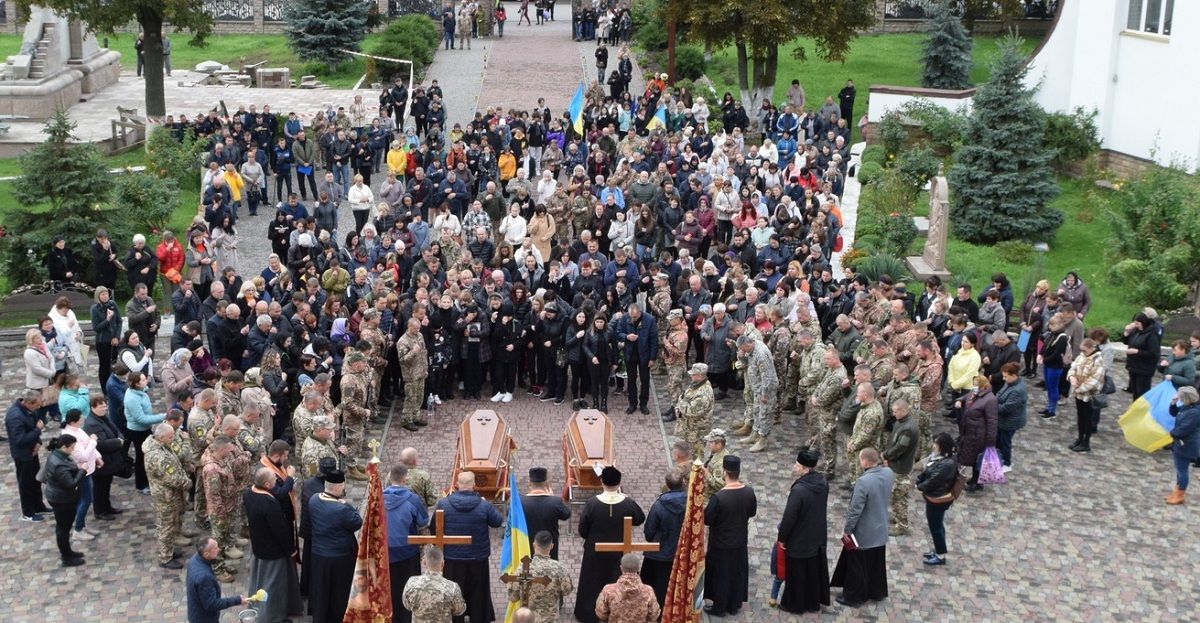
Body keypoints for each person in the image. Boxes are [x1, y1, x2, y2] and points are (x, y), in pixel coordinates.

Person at [575, 466, 646, 623]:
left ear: (601, 482)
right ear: (619, 483)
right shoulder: (628, 503)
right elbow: (640, 518)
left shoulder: (592, 503)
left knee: (592, 581)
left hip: (595, 550)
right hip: (619, 553)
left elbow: (582, 530)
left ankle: (588, 614)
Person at [435, 471, 503, 623]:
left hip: (452, 558)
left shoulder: (444, 504)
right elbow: (497, 522)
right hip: (477, 557)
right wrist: (487, 504)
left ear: (457, 485)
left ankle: (456, 619)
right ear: (473, 485)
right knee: (478, 592)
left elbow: (435, 528)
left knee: (454, 592)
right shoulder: (484, 505)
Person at [830, 448, 893, 608]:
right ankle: (875, 591)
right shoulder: (888, 473)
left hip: (864, 531)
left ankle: (853, 597)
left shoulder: (863, 481)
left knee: (857, 565)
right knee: (876, 563)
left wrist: (848, 530)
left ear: (864, 461)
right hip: (880, 528)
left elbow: (854, 510)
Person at [245, 466, 303, 623]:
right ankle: (272, 616)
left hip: (259, 547)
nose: (277, 482)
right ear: (266, 484)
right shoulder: (269, 503)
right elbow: (280, 530)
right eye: (274, 480)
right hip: (273, 552)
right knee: (274, 585)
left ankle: (258, 605)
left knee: (260, 580)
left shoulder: (249, 492)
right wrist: (291, 549)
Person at [776, 447, 829, 614]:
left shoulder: (799, 490)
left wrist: (782, 538)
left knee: (797, 574)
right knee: (812, 571)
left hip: (799, 538)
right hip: (816, 535)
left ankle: (795, 604)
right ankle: (812, 602)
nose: (794, 466)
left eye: (797, 464)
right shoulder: (822, 483)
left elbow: (789, 517)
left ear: (806, 469)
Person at [703, 455, 756, 617]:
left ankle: (719, 607)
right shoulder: (748, 492)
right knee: (736, 574)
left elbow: (707, 519)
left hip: (720, 543)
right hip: (740, 542)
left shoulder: (719, 497)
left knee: (721, 576)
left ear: (724, 473)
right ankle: (734, 605)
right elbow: (752, 512)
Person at [308, 469, 363, 623]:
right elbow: (357, 522)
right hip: (339, 558)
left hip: (319, 555)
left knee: (321, 590)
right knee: (339, 593)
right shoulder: (341, 508)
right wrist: (346, 503)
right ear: (339, 487)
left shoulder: (313, 499)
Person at [385, 463, 430, 623]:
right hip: (407, 551)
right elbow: (423, 520)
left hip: (385, 552)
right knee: (409, 588)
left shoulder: (378, 497)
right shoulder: (412, 498)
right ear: (405, 479)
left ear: (390, 478)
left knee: (389, 588)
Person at [145, 422, 192, 568]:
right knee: (166, 526)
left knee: (172, 523)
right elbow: (172, 478)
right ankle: (165, 557)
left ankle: (169, 549)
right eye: (170, 437)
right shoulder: (158, 457)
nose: (173, 439)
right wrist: (187, 483)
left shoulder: (161, 447)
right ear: (160, 437)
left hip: (170, 494)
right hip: (166, 496)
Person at [641, 470, 686, 606]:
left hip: (659, 554)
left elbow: (649, 532)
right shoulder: (691, 503)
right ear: (683, 484)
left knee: (656, 587)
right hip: (681, 552)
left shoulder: (659, 506)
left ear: (667, 485)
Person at [509, 531, 573, 623]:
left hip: (527, 619)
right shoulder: (559, 568)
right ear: (551, 546)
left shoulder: (522, 568)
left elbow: (513, 597)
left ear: (534, 545)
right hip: (550, 619)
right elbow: (567, 591)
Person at [915, 433, 959, 565]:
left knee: (935, 527)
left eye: (936, 443)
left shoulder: (946, 464)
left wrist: (919, 485)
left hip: (938, 498)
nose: (933, 445)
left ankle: (940, 556)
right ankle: (939, 549)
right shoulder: (942, 458)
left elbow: (933, 480)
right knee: (938, 525)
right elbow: (928, 471)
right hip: (936, 496)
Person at [43, 434, 86, 566]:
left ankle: (68, 552)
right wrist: (82, 471)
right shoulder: (59, 464)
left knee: (63, 527)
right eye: (72, 448)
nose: (73, 450)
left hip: (59, 496)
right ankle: (66, 557)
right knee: (63, 528)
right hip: (62, 500)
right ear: (63, 447)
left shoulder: (57, 455)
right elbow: (70, 484)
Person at [7, 389, 49, 521]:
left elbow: (34, 427)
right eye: (37, 404)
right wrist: (38, 430)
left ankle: (38, 505)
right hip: (23, 455)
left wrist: (38, 442)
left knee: (35, 480)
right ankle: (28, 513)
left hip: (32, 451)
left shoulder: (30, 410)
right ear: (29, 403)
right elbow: (19, 440)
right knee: (25, 483)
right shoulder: (15, 416)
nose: (40, 406)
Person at [186, 536, 250, 623]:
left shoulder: (194, 559)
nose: (219, 549)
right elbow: (212, 604)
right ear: (206, 554)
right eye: (215, 548)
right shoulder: (204, 577)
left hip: (196, 613)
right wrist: (237, 600)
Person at [83, 392, 126, 520]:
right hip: (100, 461)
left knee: (106, 485)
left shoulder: (103, 417)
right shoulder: (91, 424)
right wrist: (118, 442)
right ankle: (100, 511)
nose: (104, 408)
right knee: (100, 487)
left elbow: (115, 430)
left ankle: (107, 507)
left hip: (110, 460)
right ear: (92, 408)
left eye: (105, 406)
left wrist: (120, 437)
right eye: (100, 407)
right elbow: (100, 444)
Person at [881, 398, 919, 536]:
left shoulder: (908, 428)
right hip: (895, 464)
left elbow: (900, 448)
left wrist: (886, 456)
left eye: (896, 411)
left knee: (899, 496)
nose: (893, 413)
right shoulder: (901, 422)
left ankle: (902, 524)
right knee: (895, 494)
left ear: (903, 411)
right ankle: (897, 516)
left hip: (900, 467)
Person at [736, 335, 779, 452]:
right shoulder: (751, 349)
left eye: (743, 349)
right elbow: (748, 363)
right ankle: (755, 434)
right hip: (757, 388)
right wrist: (741, 357)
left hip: (766, 389)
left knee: (764, 413)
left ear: (748, 344)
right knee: (756, 411)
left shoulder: (761, 354)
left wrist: (765, 393)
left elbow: (767, 376)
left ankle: (762, 440)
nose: (743, 351)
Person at [402, 546, 467, 622]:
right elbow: (460, 610)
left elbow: (407, 605)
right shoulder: (452, 587)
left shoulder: (411, 583)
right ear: (442, 563)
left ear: (424, 562)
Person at [614, 303, 658, 415]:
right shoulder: (625, 318)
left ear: (639, 313)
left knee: (645, 380)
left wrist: (652, 358)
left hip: (644, 354)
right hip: (630, 353)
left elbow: (654, 340)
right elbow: (618, 333)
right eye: (630, 316)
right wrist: (626, 337)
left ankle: (643, 404)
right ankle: (632, 403)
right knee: (631, 380)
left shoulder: (649, 319)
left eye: (634, 317)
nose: (632, 319)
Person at [957, 375, 997, 492]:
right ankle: (974, 479)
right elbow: (966, 396)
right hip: (970, 433)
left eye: (976, 384)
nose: (973, 387)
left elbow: (992, 421)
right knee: (973, 458)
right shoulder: (975, 394)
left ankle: (978, 483)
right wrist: (959, 400)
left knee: (978, 459)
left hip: (979, 435)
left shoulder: (990, 400)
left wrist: (990, 441)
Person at [520, 467, 571, 559]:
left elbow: (509, 514)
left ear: (529, 484)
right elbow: (566, 514)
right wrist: (552, 496)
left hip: (526, 548)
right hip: (549, 549)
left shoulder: (520, 502)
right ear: (547, 484)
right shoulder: (555, 502)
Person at [595, 554, 660, 623]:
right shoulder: (648, 591)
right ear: (638, 569)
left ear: (621, 568)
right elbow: (654, 616)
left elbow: (601, 614)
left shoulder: (608, 590)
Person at [1165, 387, 1200, 505]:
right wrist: (1173, 403)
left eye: (1180, 397)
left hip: (1186, 445)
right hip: (1180, 443)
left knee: (1182, 470)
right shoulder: (1188, 407)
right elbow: (1174, 412)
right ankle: (1177, 491)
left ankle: (1180, 495)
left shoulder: (1195, 412)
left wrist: (1172, 433)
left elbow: (1184, 429)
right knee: (1179, 470)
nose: (1179, 398)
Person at [994, 363, 1027, 471]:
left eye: (1005, 376)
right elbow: (999, 394)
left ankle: (1006, 464)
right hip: (1003, 419)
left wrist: (992, 405)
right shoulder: (1010, 383)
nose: (1003, 379)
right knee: (1000, 441)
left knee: (1005, 442)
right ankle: (999, 459)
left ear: (1014, 376)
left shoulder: (1017, 390)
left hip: (1010, 422)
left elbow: (1006, 408)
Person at [1123, 312, 1160, 399]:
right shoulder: (1136, 331)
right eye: (1134, 323)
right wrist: (1126, 332)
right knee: (1135, 392)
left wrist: (1136, 351)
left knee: (1141, 393)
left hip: (1144, 369)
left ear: (1143, 323)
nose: (1135, 325)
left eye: (1137, 323)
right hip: (1133, 366)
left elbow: (1154, 354)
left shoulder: (1152, 334)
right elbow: (1126, 341)